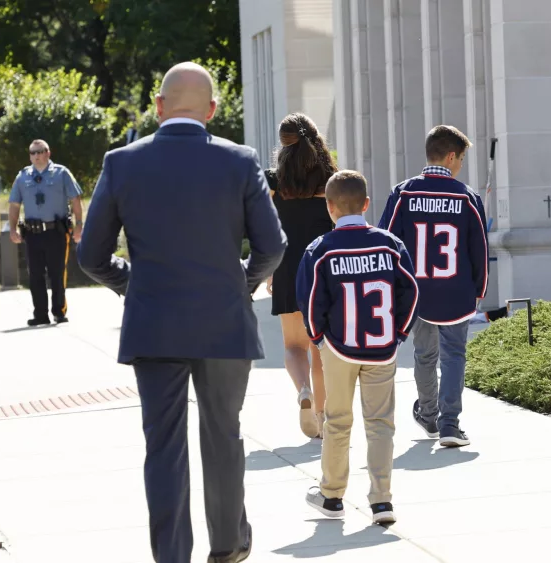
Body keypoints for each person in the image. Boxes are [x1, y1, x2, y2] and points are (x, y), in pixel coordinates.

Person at [77, 61, 286, 563]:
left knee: (164, 447)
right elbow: (273, 245)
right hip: (223, 323)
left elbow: (90, 255)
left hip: (155, 324)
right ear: (213, 110)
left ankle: (172, 555)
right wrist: (243, 284)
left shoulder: (122, 162)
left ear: (159, 107)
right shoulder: (240, 162)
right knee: (223, 437)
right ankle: (229, 545)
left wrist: (133, 284)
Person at [296, 170, 419, 525]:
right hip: (382, 345)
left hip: (338, 346)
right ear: (366, 204)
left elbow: (310, 302)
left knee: (337, 420)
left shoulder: (320, 250)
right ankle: (382, 501)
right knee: (381, 422)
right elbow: (410, 291)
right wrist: (399, 333)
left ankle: (332, 495)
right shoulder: (390, 244)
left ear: (329, 207)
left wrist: (319, 339)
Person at [377, 125, 488, 448]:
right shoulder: (466, 196)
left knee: (424, 355)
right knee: (454, 355)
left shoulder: (404, 194)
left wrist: (392, 290)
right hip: (456, 291)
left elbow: (387, 242)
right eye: (462, 158)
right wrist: (478, 289)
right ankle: (450, 423)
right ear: (451, 156)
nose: (461, 165)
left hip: (417, 292)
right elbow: (478, 249)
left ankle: (429, 415)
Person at [265, 113, 336, 439]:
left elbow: (264, 227)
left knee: (294, 345)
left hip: (287, 266)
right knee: (321, 347)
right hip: (323, 269)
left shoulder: (272, 182)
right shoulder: (330, 179)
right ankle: (322, 416)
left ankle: (303, 392)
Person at [8, 139, 84, 326]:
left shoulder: (61, 173)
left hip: (55, 232)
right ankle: (40, 314)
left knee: (57, 273)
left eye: (40, 151)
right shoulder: (23, 176)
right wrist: (12, 228)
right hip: (32, 233)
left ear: (48, 153)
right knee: (35, 274)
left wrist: (79, 224)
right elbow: (14, 205)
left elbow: (75, 199)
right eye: (33, 153)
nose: (36, 156)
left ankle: (59, 311)